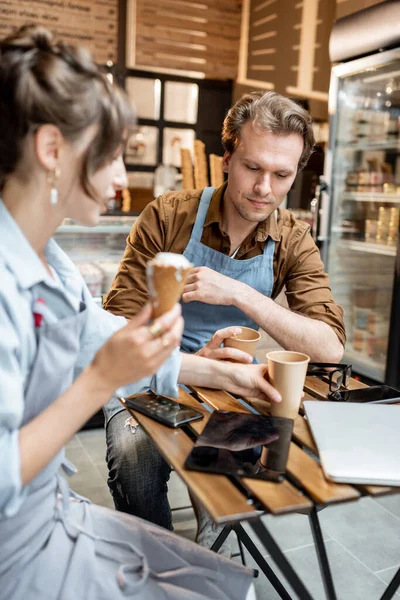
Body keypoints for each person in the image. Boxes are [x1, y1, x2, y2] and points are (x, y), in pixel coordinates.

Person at [0, 24, 284, 600]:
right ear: (53, 151)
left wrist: (228, 373)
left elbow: (98, 334)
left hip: (54, 515)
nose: (122, 180)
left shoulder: (48, 261)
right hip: (18, 553)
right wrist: (100, 381)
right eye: (109, 157)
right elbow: (101, 361)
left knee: (235, 585)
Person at [102, 91, 346, 544]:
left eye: (281, 175)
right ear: (227, 159)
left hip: (233, 382)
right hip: (149, 371)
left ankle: (211, 542)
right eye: (253, 168)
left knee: (235, 468)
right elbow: (115, 328)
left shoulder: (292, 239)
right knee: (135, 458)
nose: (264, 189)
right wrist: (188, 361)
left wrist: (240, 294)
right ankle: (161, 563)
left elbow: (329, 347)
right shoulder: (168, 217)